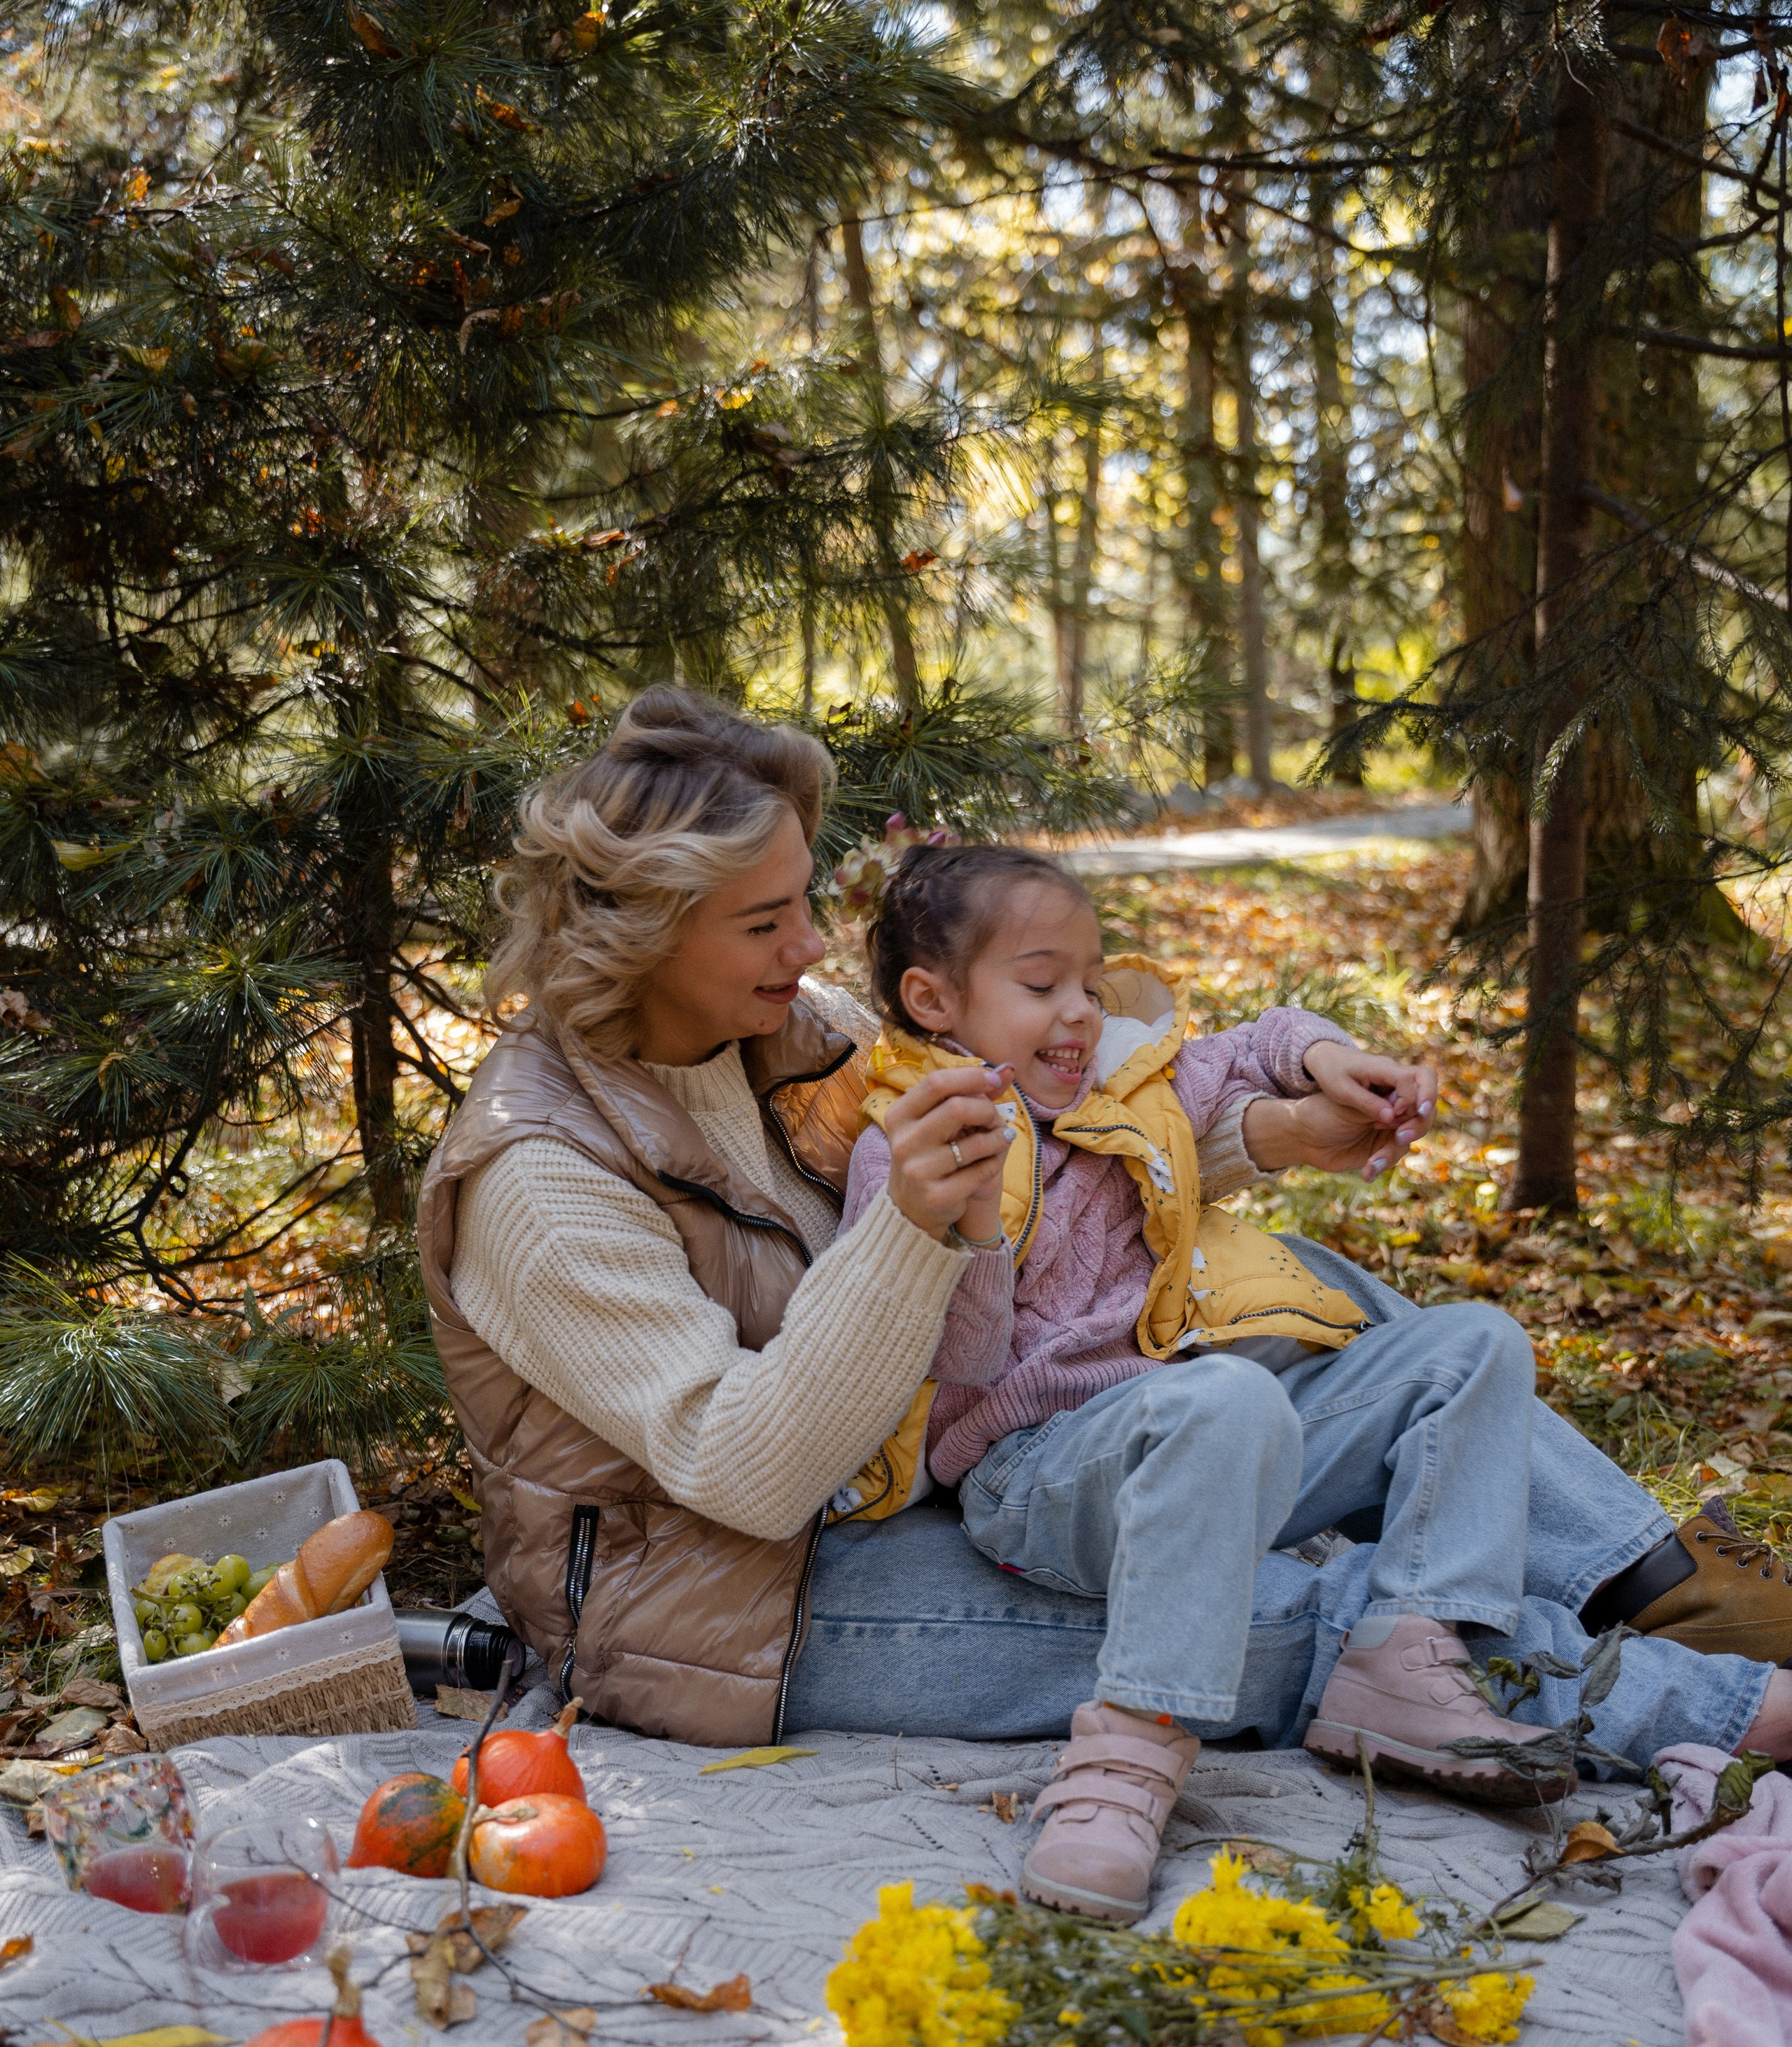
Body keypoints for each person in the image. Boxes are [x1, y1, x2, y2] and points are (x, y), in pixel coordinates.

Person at [414, 689, 1792, 1845]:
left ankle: (1651, 1577)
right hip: (738, 1596)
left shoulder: (787, 1029)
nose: (811, 946)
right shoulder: (537, 1179)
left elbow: (1064, 1152)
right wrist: (908, 1234)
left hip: (910, 1461)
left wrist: (1272, 1130)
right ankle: (1704, 1705)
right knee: (1280, 1616)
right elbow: (750, 1476)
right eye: (765, 921)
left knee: (1311, 1292)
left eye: (803, 902)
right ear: (649, 932)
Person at [837, 840, 1576, 1920]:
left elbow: (1254, 1044)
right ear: (933, 999)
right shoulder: (913, 1147)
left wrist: (1332, 1062)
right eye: (1042, 986)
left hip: (1191, 1430)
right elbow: (949, 1371)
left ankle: (1406, 1651)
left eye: (1090, 983)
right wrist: (973, 1233)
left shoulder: (1125, 1086)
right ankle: (1128, 1759)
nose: (1080, 1012)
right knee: (1227, 1399)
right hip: (1031, 1476)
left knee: (1473, 1345)